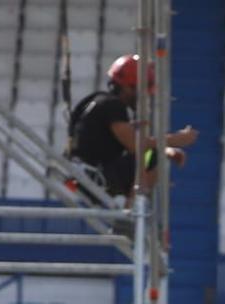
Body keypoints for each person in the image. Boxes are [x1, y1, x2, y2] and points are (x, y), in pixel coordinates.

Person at [67, 53, 198, 198]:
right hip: (89, 177)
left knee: (150, 153)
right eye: (142, 92)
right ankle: (134, 212)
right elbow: (135, 146)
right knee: (150, 156)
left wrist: (166, 150)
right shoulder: (113, 106)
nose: (145, 98)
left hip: (77, 177)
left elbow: (119, 142)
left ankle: (133, 211)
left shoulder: (100, 101)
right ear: (128, 87)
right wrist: (175, 139)